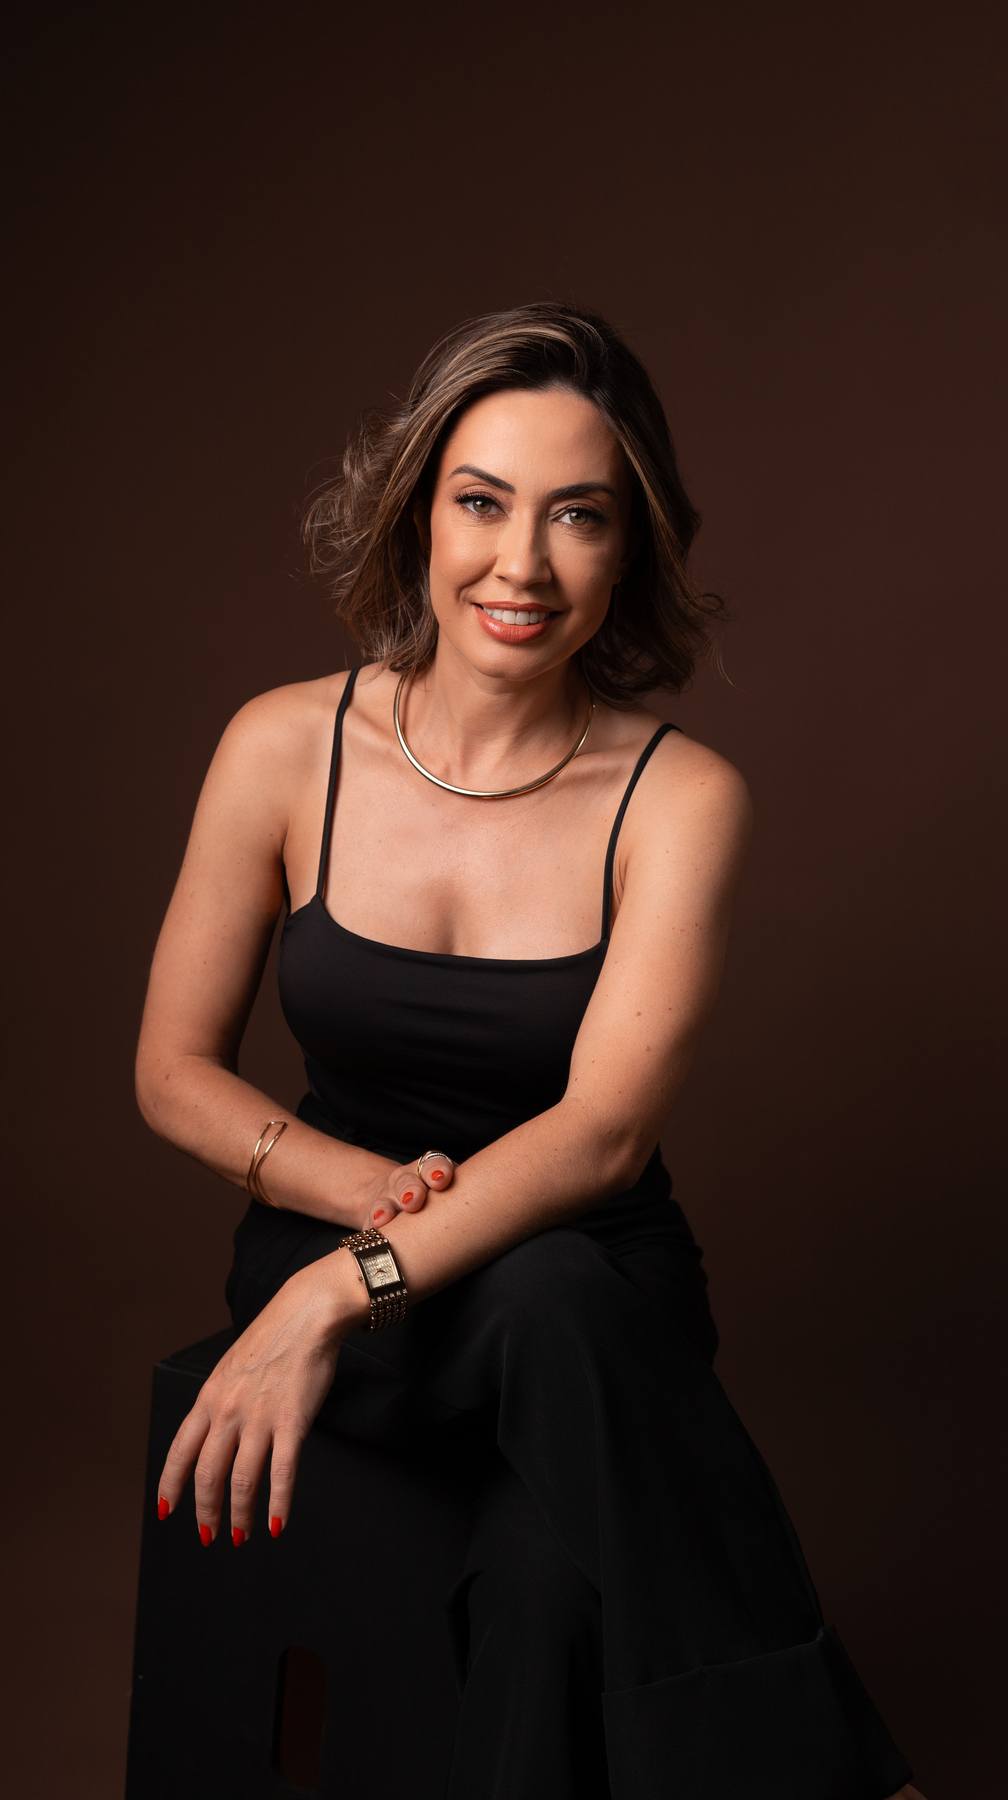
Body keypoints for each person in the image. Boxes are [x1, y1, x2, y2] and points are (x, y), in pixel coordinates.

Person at [134, 304, 921, 1799]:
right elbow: (172, 1070)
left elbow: (605, 1138)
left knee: (549, 1575)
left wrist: (333, 1293)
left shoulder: (681, 799)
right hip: (342, 1226)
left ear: (630, 552)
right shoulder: (281, 748)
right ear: (417, 514)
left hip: (579, 1290)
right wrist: (363, 1198)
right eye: (483, 503)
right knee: (547, 1303)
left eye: (580, 516)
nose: (523, 564)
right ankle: (840, 1772)